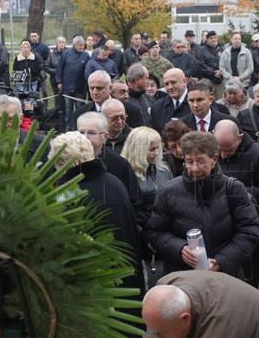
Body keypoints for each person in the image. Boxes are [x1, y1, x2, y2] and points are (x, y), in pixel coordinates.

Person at [146, 131, 259, 279]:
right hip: (183, 275)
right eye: (189, 162)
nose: (194, 168)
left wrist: (222, 261)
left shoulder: (233, 189)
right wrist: (180, 249)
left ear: (214, 159)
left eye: (200, 161)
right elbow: (155, 233)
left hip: (226, 275)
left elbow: (250, 232)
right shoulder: (168, 192)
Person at [50, 132, 144, 300]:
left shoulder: (71, 193)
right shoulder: (112, 181)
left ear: (62, 162)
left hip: (96, 293)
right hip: (127, 283)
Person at [214, 119, 259, 287]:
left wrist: (238, 193)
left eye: (228, 150)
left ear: (240, 138)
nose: (222, 156)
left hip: (248, 233)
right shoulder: (212, 152)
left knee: (246, 285)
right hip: (219, 232)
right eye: (219, 150)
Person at [76, 111, 141, 215]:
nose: (85, 137)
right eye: (81, 132)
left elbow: (134, 204)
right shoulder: (68, 161)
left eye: (92, 133)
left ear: (105, 137)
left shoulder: (120, 165)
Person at [121, 126, 173, 229]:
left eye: (158, 148)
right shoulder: (126, 175)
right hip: (144, 233)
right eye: (152, 149)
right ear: (138, 150)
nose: (157, 153)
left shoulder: (164, 170)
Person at [73, 70, 143, 129]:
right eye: (92, 88)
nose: (95, 92)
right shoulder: (81, 113)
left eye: (99, 88)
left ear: (110, 88)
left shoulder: (131, 111)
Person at [179, 80, 252, 136]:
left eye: (199, 100)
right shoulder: (181, 125)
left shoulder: (229, 122)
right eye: (191, 101)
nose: (195, 105)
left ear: (210, 100)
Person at [57, 35, 91, 127]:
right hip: (67, 87)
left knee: (80, 108)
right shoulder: (66, 54)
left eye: (83, 45)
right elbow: (60, 68)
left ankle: (79, 126)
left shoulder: (86, 55)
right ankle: (69, 126)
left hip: (80, 87)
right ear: (74, 45)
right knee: (68, 109)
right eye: (80, 45)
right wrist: (59, 82)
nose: (82, 47)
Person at [149, 68, 191, 134]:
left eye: (173, 82)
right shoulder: (156, 108)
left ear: (185, 81)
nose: (170, 87)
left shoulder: (198, 102)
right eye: (166, 84)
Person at [194, 31, 223, 96]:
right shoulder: (201, 50)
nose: (213, 39)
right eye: (211, 38)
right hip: (207, 79)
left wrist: (221, 71)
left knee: (221, 102)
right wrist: (214, 72)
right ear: (207, 39)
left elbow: (225, 63)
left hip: (220, 80)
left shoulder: (221, 49)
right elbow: (200, 65)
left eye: (215, 37)